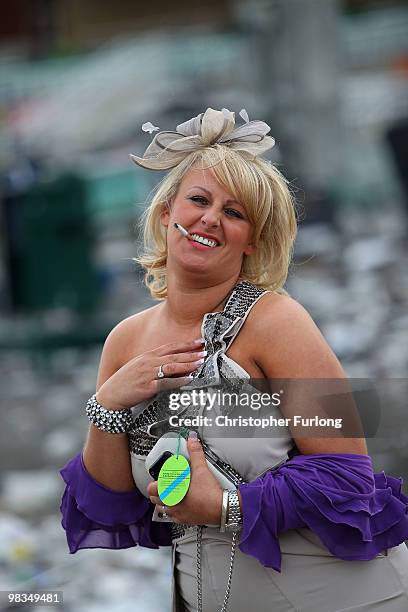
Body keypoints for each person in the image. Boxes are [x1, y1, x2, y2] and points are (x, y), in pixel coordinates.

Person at [60, 108, 408, 612]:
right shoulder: (124, 342)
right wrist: (109, 403)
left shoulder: (279, 321)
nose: (210, 219)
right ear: (165, 213)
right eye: (198, 200)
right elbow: (108, 505)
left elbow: (347, 475)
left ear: (252, 242)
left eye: (235, 213)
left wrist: (224, 506)